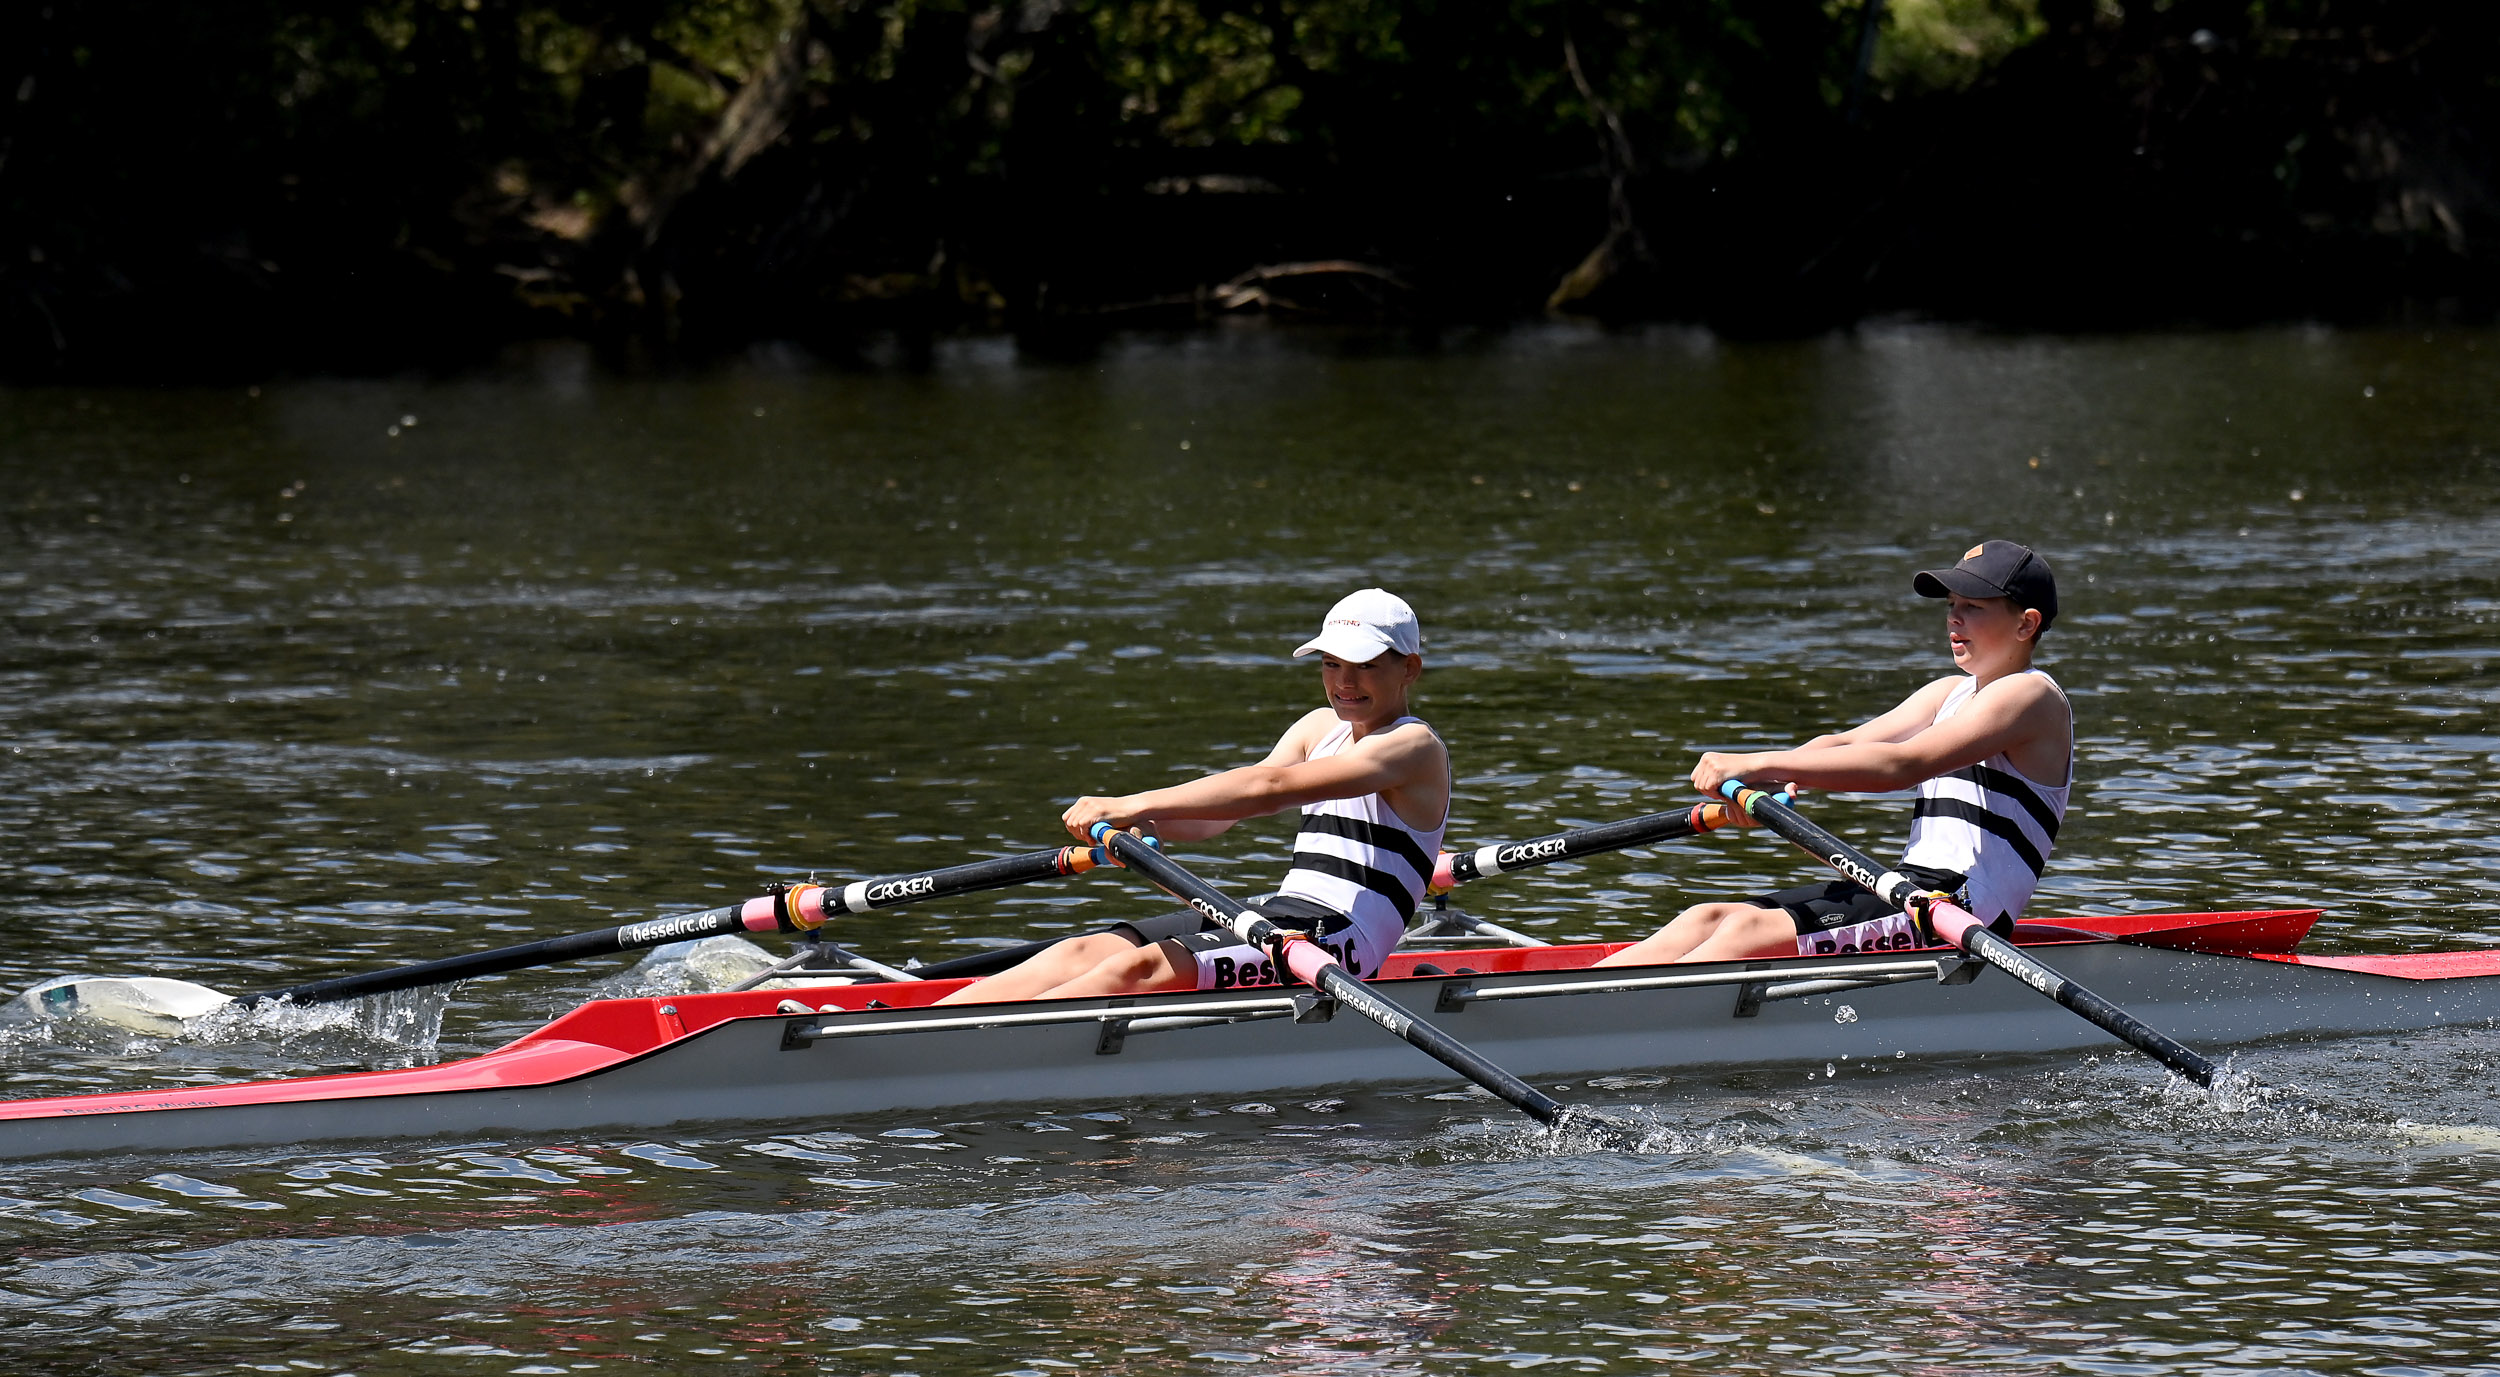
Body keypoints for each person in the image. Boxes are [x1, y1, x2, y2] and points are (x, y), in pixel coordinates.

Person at [934, 588, 1451, 1004]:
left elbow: (1266, 791)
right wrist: (1146, 829)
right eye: (1331, 665)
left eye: (1365, 666)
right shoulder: (1320, 727)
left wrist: (1134, 803)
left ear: (1409, 669)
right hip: (1283, 914)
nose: (1345, 682)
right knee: (1083, 950)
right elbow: (1216, 818)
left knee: (1135, 968)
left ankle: (974, 1049)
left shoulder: (1413, 746)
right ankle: (935, 1022)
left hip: (1343, 942)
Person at [1598, 540, 2073, 966]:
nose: (1953, 618)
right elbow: (1842, 745)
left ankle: (1604, 1025)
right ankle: (1565, 1003)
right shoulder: (1949, 693)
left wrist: (1757, 763)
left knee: (1747, 930)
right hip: (1912, 889)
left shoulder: (2031, 698)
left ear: (2025, 624)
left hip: (1962, 909)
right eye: (1951, 605)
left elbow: (1900, 766)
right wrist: (1769, 787)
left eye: (1972, 607)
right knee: (1706, 918)